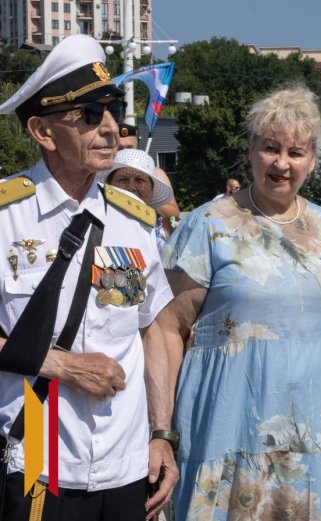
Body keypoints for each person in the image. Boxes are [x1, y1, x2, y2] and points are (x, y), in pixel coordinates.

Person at [155, 86, 321, 521]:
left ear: (312, 160)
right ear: (251, 151)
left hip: (318, 431)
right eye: (271, 148)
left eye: (295, 152)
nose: (281, 163)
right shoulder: (208, 225)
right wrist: (161, 430)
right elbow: (167, 330)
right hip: (227, 425)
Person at [0, 35, 178, 521]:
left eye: (113, 110)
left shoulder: (133, 219)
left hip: (127, 461)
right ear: (42, 130)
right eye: (89, 115)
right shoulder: (6, 216)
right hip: (38, 457)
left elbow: (153, 330)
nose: (110, 128)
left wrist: (161, 434)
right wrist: (62, 366)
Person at [100, 148, 177, 251]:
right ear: (109, 184)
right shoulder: (97, 222)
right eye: (123, 180)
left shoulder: (169, 229)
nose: (131, 187)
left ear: (152, 189)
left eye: (139, 180)